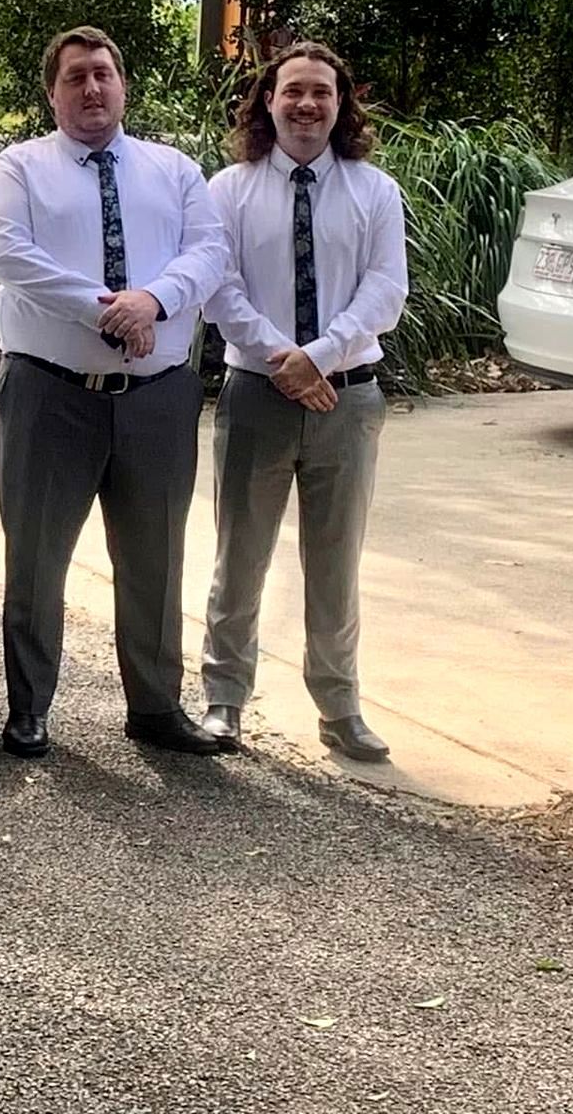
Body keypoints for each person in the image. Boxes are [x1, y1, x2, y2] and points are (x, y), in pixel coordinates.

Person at [0, 26, 230, 760]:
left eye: (103, 74)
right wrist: (106, 310)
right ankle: (29, 709)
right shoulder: (20, 169)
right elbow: (9, 256)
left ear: (123, 85)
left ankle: (155, 708)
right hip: (50, 394)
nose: (92, 88)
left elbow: (209, 250)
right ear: (52, 93)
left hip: (157, 398)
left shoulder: (173, 170)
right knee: (37, 558)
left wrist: (153, 301)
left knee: (155, 558)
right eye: (75, 77)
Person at [199, 42, 407, 761]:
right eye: (293, 91)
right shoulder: (229, 190)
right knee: (240, 556)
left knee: (335, 562)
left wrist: (317, 356)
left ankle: (340, 707)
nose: (307, 104)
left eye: (322, 92)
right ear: (268, 100)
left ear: (341, 104)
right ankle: (224, 699)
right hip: (256, 397)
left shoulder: (374, 191)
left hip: (346, 402)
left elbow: (386, 290)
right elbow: (220, 289)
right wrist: (281, 359)